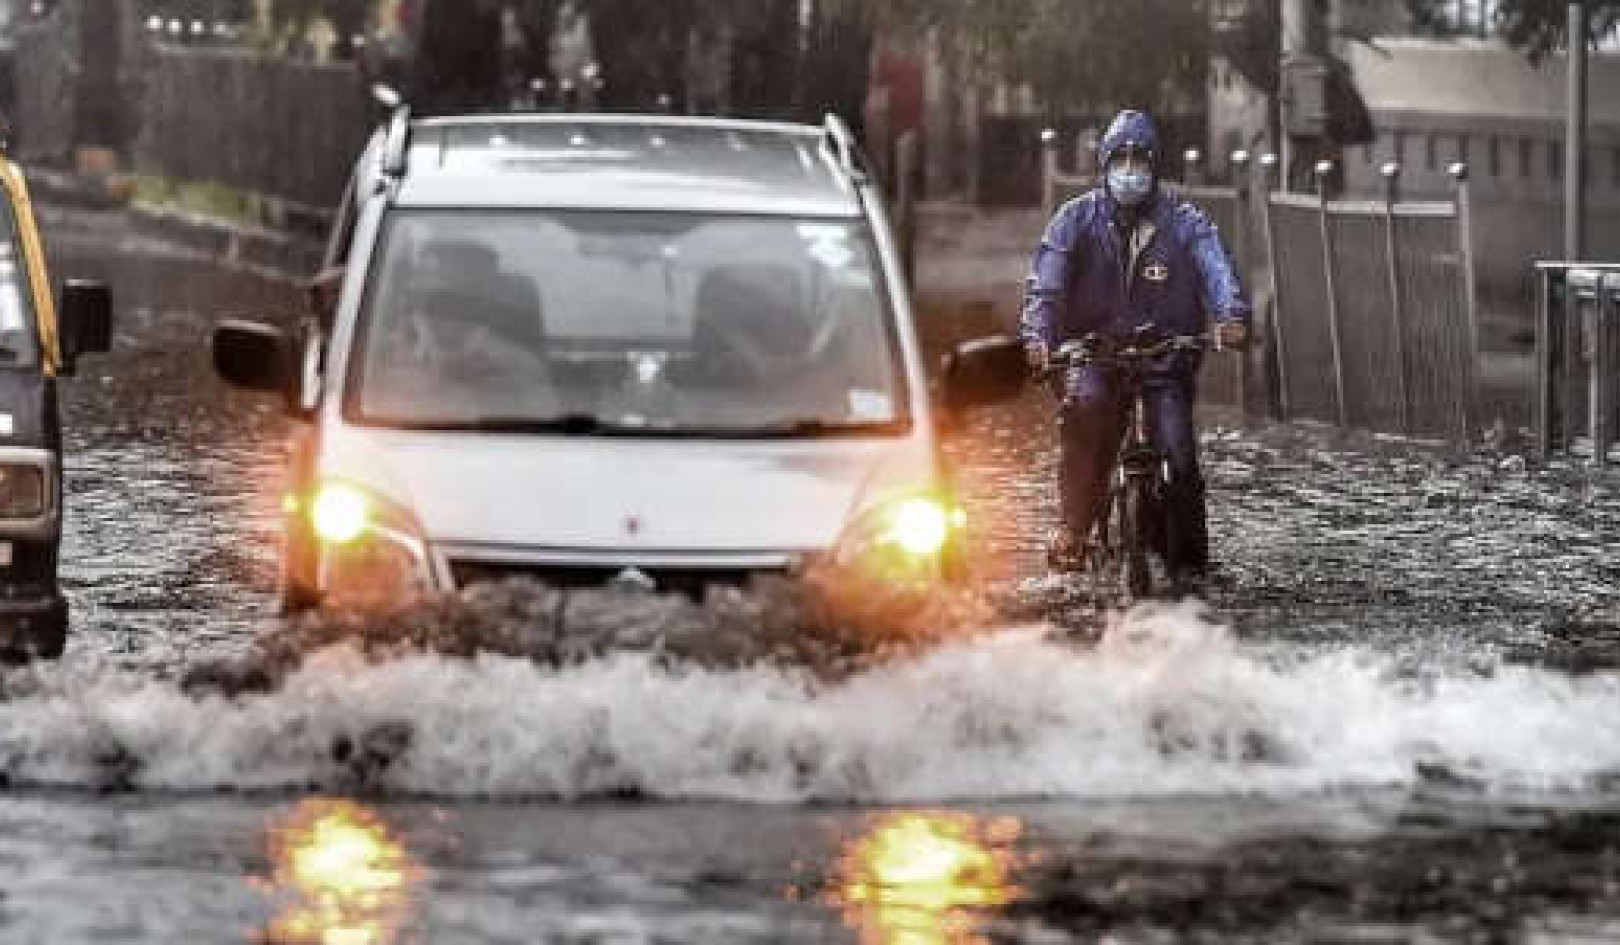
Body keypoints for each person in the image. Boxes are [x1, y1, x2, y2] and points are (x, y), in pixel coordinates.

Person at [1019, 109, 1252, 589]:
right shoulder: (1074, 221)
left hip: (1167, 357)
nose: (1130, 170)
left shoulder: (1186, 223)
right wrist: (1040, 340)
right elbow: (1046, 287)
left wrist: (1231, 317)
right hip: (1092, 355)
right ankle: (1073, 529)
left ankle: (1191, 567)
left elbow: (1217, 268)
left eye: (1140, 160)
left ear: (1155, 166)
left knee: (1180, 452)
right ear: (1104, 166)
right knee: (1086, 412)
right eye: (1120, 159)